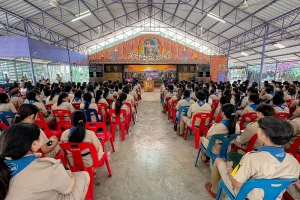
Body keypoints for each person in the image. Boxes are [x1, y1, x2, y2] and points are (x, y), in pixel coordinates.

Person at [206, 116, 299, 199]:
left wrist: (229, 168)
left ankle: (214, 191)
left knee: (219, 161)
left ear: (265, 137)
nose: (257, 128)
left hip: (244, 195)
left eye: (259, 128)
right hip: (273, 197)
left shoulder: (252, 158)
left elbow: (237, 184)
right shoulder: (294, 162)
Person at [0, 123, 90, 200]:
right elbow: (68, 188)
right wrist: (70, 175)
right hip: (49, 157)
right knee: (84, 175)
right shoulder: (46, 166)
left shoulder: (2, 166)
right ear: (34, 145)